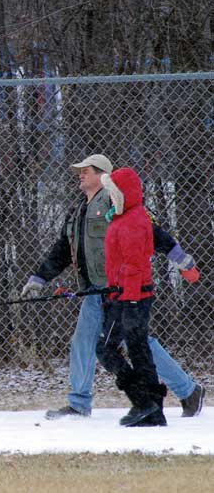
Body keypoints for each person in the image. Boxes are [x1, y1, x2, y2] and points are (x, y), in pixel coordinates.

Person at [21, 154, 204, 420]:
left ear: (102, 175)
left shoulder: (116, 202)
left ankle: (187, 390)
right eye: (79, 171)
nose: (80, 175)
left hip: (120, 290)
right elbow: (62, 250)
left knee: (137, 343)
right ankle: (79, 403)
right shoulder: (78, 210)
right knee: (83, 341)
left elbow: (151, 232)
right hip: (96, 291)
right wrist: (39, 278)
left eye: (86, 170)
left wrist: (179, 257)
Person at [96, 167, 165, 426]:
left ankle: (141, 401)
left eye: (113, 193)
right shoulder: (125, 218)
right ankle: (153, 409)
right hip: (127, 294)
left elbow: (135, 266)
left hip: (129, 297)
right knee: (138, 349)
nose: (110, 198)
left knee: (105, 348)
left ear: (123, 194)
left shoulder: (131, 221)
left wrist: (127, 297)